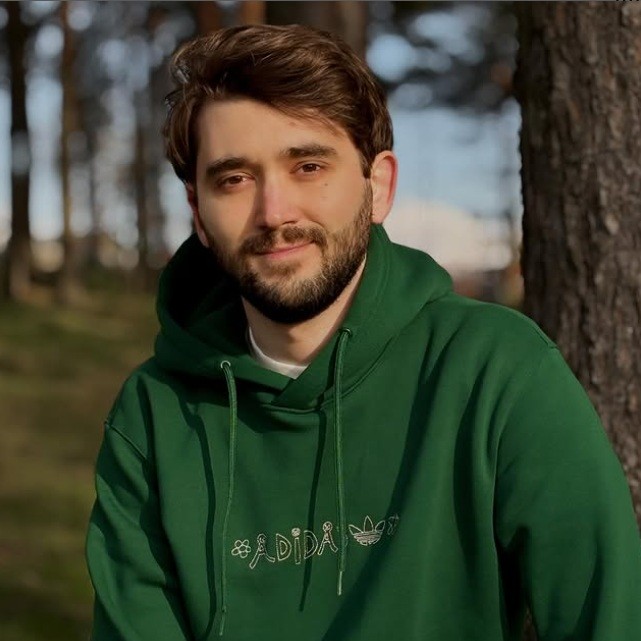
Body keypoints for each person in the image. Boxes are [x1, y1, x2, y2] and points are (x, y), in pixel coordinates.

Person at [86, 24, 641, 641]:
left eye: (308, 166)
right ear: (198, 213)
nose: (274, 212)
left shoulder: (496, 371)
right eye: (235, 179)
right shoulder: (153, 417)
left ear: (378, 187)